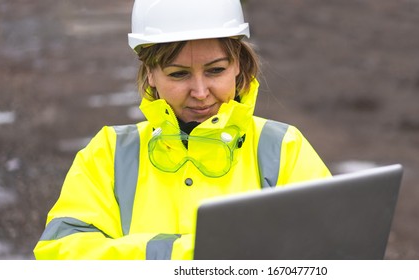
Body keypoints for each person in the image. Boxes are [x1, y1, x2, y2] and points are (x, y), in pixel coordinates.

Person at [33, 0, 331, 260]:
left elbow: (332, 252)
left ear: (238, 65)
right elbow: (62, 254)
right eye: (179, 74)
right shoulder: (110, 154)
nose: (200, 92)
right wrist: (187, 256)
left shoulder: (283, 149)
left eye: (215, 70)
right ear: (150, 73)